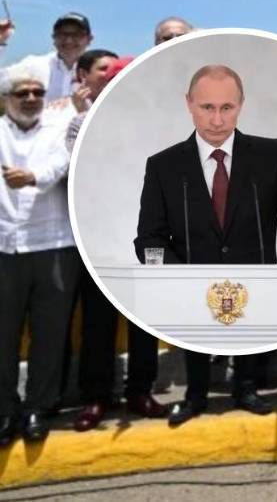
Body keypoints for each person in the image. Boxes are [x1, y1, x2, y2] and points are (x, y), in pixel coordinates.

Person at [133, 64, 277, 424]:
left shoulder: (273, 154)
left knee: (255, 332)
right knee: (196, 336)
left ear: (241, 105)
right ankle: (195, 396)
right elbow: (149, 235)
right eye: (207, 107)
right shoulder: (164, 165)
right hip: (193, 282)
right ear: (189, 104)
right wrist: (176, 275)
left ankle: (247, 389)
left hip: (257, 277)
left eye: (227, 107)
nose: (217, 119)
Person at [71, 56, 167, 432]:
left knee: (145, 319)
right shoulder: (80, 122)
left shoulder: (155, 123)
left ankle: (140, 390)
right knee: (98, 321)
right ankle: (96, 395)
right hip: (100, 236)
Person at [0, 67, 81, 445]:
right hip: (5, 247)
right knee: (3, 334)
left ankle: (38, 407)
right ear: (7, 99)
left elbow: (62, 163)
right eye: (22, 93)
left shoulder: (57, 129)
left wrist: (32, 176)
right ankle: (5, 410)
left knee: (50, 333)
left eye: (37, 92)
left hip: (53, 243)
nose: (31, 99)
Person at [0, 12, 94, 101]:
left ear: (89, 39)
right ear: (54, 38)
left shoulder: (98, 71)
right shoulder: (34, 65)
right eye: (62, 34)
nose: (68, 40)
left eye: (76, 35)